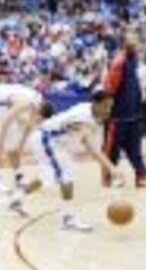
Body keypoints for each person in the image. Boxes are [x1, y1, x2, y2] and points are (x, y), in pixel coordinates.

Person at [12, 91, 124, 232]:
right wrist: (111, 168)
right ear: (95, 104)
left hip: (54, 142)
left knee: (49, 176)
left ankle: (16, 199)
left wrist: (110, 167)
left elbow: (86, 141)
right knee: (66, 177)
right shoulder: (83, 118)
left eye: (110, 106)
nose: (108, 110)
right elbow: (91, 147)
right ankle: (68, 219)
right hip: (47, 140)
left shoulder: (91, 111)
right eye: (105, 106)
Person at [102, 30, 146, 187]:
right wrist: (108, 112)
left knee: (135, 149)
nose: (137, 44)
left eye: (137, 40)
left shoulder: (134, 60)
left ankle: (142, 176)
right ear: (126, 44)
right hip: (118, 116)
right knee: (113, 150)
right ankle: (109, 178)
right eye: (133, 41)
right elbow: (110, 88)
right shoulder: (118, 63)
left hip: (134, 114)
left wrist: (140, 94)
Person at [0, 81, 46, 198]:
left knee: (14, 147)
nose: (38, 123)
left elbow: (28, 127)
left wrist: (20, 145)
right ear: (39, 113)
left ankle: (19, 178)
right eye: (39, 120)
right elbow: (5, 124)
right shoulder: (25, 103)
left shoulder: (38, 103)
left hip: (9, 106)